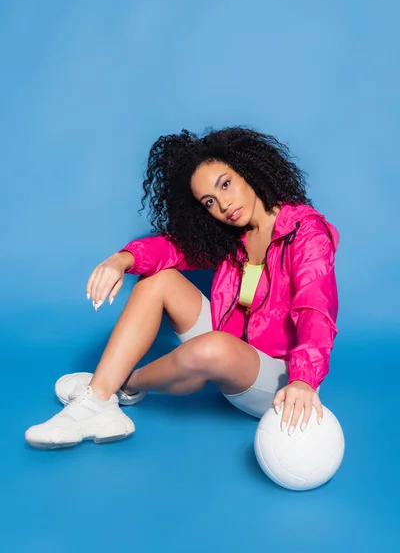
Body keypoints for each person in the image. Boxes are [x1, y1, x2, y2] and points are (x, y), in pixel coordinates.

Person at [25, 127, 339, 449]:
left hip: (280, 381)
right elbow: (172, 250)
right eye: (209, 201)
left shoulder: (306, 232)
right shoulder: (234, 238)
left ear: (248, 171)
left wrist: (302, 380)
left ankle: (116, 385)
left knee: (214, 346)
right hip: (229, 352)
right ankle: (99, 398)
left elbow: (316, 310)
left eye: (226, 184)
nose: (224, 205)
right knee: (160, 279)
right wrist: (121, 259)